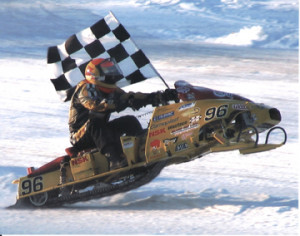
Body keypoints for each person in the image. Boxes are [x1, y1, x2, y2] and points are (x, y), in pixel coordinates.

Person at [68, 57, 178, 170]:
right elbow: (97, 104)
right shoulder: (86, 87)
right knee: (95, 123)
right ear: (96, 74)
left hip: (101, 130)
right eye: (108, 71)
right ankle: (115, 160)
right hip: (80, 137)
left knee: (129, 121)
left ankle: (142, 150)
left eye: (112, 70)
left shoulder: (110, 89)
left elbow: (129, 97)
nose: (112, 74)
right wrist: (120, 103)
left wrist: (156, 97)